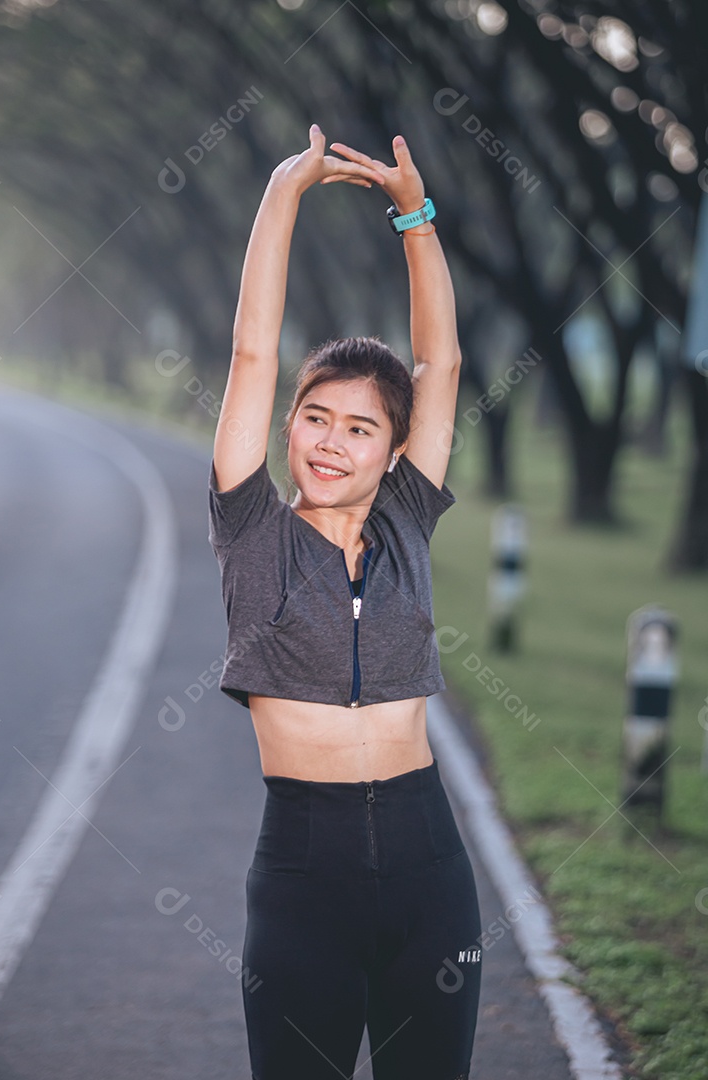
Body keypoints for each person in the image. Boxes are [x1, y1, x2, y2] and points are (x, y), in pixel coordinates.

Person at [208, 123, 482, 1080]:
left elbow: (440, 368)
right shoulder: (252, 532)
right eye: (314, 418)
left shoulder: (408, 519)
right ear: (288, 426)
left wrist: (415, 216)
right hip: (303, 875)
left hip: (430, 869)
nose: (331, 442)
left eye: (360, 428)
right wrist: (286, 189)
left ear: (393, 450)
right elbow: (251, 352)